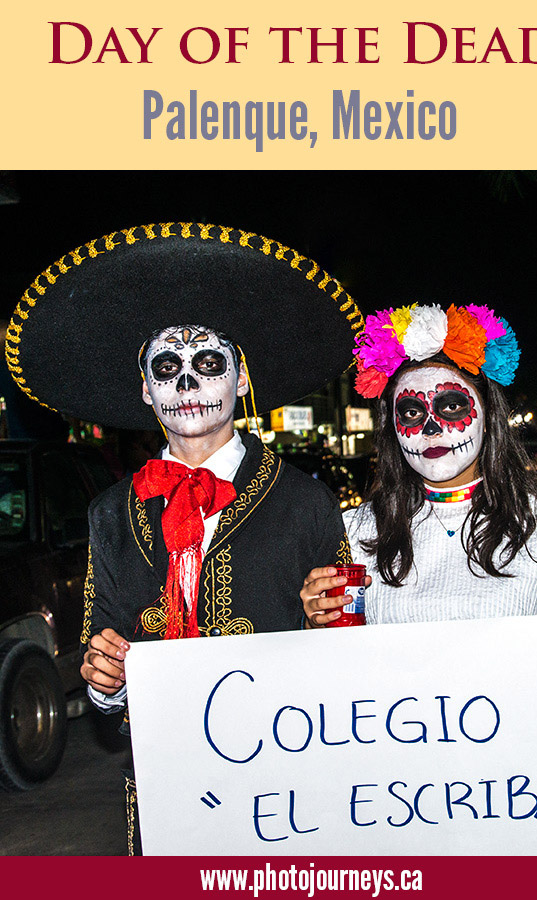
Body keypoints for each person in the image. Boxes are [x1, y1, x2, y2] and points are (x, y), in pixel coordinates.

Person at [5, 221, 362, 854]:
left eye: (208, 364)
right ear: (145, 390)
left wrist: (326, 621)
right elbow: (105, 640)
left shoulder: (305, 502)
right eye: (167, 368)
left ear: (241, 380)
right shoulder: (112, 513)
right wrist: (103, 680)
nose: (188, 384)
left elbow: (352, 661)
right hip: (167, 788)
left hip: (285, 792)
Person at [300, 302, 537, 852]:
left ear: (487, 411)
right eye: (412, 413)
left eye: (451, 406)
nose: (432, 429)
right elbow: (344, 687)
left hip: (524, 797)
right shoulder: (356, 533)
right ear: (391, 427)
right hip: (407, 801)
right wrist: (319, 629)